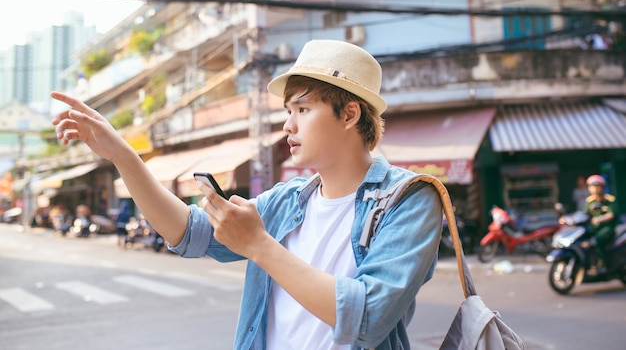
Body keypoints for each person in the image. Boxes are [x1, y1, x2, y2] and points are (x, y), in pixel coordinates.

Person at [50, 39, 443, 349]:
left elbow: (368, 318)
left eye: (303, 110)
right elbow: (190, 233)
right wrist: (122, 155)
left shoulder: (410, 199)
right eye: (288, 111)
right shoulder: (289, 200)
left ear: (350, 114)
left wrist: (260, 246)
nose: (288, 125)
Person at [582, 174, 618, 273]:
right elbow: (583, 215)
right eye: (592, 186)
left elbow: (612, 214)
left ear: (602, 187)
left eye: (597, 186)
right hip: (593, 228)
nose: (594, 189)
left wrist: (600, 219)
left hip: (606, 228)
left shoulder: (609, 200)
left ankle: (602, 264)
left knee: (599, 239)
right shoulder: (589, 201)